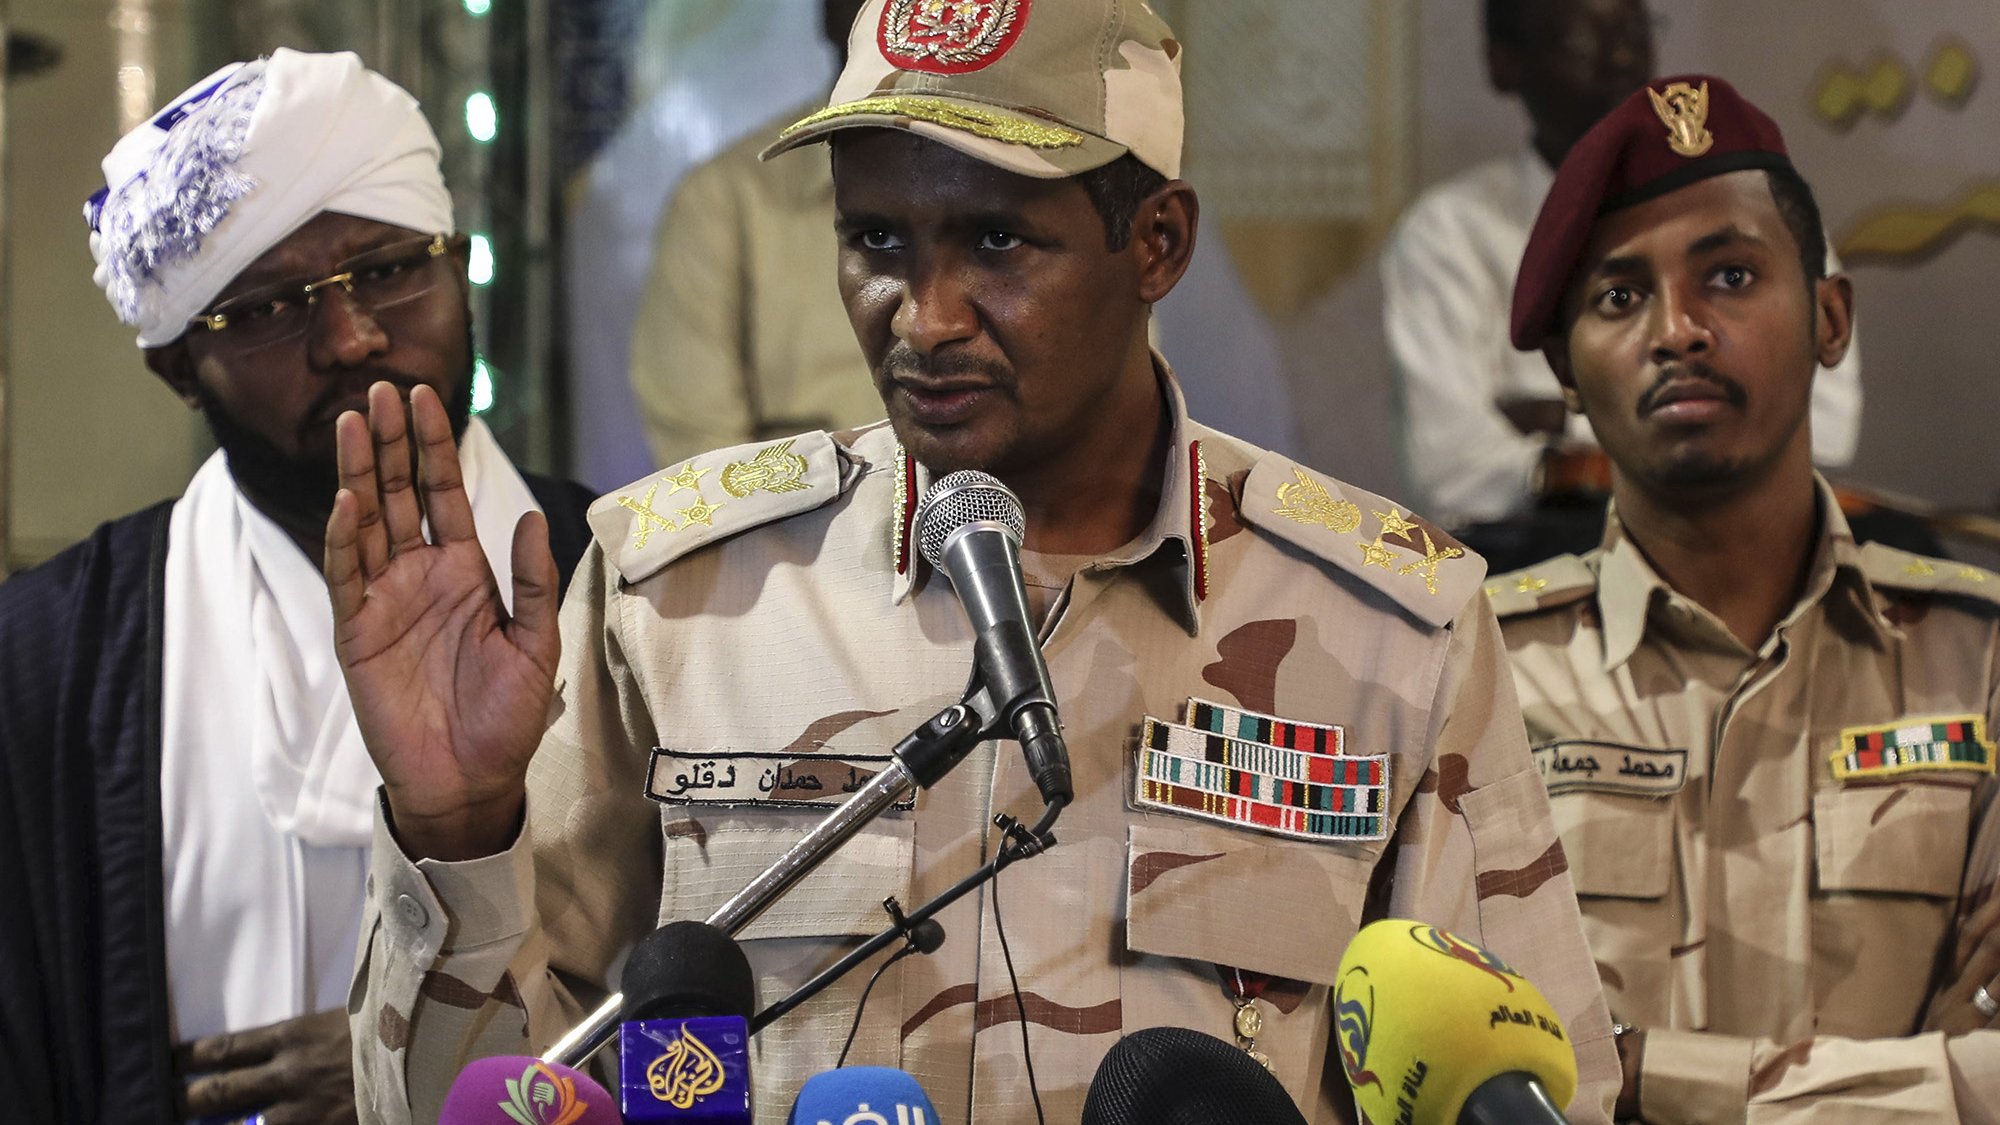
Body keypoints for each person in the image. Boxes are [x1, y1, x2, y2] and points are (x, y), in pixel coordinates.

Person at [337, 3, 1618, 1121]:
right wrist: (455, 829)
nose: (925, 317)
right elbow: (484, 1103)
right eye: (876, 242)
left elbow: (1517, 1089)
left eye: (998, 243)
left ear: (1156, 243)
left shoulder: (1390, 627)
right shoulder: (681, 601)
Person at [0, 50, 596, 1125]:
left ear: (459, 265)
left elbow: (739, 1007)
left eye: (386, 270)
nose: (352, 337)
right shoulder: (44, 662)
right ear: (178, 366)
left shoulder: (645, 586)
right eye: (270, 308)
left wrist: (416, 1051)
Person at [1488, 74, 2000, 1121]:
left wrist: (1646, 1079)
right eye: (1618, 296)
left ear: (1827, 317)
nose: (1675, 329)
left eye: (1726, 274)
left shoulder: (1981, 663)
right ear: (1566, 375)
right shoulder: (1471, 674)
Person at [1380, 0, 1862, 531]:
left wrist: (1567, 429)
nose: (1623, 56)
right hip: (1558, 540)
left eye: (1732, 279)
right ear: (1505, 64)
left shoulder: (1758, 206)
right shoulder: (1451, 229)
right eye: (1619, 299)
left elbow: (1829, 424)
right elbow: (1453, 474)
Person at [628, 0, 879, 467]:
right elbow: (703, 466)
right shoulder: (724, 200)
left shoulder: (1038, 184)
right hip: (806, 534)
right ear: (826, 12)